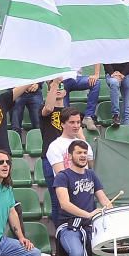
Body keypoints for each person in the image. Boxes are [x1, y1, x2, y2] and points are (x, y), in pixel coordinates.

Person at [52, 139, 112, 256]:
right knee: (76, 254)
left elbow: (103, 200)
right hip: (68, 227)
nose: (83, 155)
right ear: (70, 156)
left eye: (85, 152)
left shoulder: (92, 175)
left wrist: (108, 207)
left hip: (87, 230)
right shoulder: (62, 176)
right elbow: (64, 204)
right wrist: (88, 214)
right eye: (78, 152)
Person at [40, 78, 67, 224]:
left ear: (66, 92)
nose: (57, 88)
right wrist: (54, 82)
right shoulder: (43, 108)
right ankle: (60, 235)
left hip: (67, 159)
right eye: (53, 86)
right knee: (57, 200)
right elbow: (48, 109)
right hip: (49, 160)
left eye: (60, 86)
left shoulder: (70, 113)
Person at [47, 107, 93, 176]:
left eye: (78, 122)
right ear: (62, 124)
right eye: (72, 122)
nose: (76, 126)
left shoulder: (84, 143)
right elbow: (61, 175)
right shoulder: (55, 146)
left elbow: (93, 168)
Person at [62, 67, 101, 131]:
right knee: (60, 90)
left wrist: (96, 75)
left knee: (95, 82)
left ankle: (88, 117)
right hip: (60, 79)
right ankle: (66, 120)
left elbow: (96, 57)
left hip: (76, 77)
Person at [103, 60, 129, 127]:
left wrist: (123, 74)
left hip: (128, 74)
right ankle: (115, 115)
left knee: (128, 111)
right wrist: (112, 73)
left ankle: (126, 131)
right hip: (111, 74)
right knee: (114, 83)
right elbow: (105, 59)